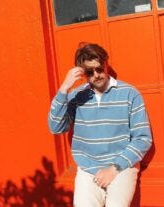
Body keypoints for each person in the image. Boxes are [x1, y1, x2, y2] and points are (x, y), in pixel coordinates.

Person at [48, 42, 152, 207]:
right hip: (88, 169)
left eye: (99, 69)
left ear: (106, 64)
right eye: (89, 72)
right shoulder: (76, 96)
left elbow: (143, 138)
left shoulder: (129, 94)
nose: (96, 75)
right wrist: (64, 89)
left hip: (121, 167)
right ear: (82, 73)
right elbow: (56, 127)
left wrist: (114, 169)